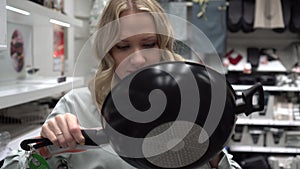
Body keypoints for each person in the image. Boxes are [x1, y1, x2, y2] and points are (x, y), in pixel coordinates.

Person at [1, 0, 242, 168]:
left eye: (148, 44)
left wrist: (212, 150)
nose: (137, 59)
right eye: (123, 47)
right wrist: (46, 147)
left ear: (164, 46)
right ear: (108, 52)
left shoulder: (194, 101)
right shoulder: (78, 106)